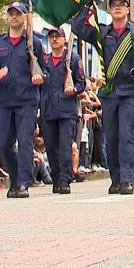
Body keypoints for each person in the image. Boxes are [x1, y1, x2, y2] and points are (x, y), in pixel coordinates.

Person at [71, 0, 134, 195]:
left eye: (122, 5)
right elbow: (77, 28)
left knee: (126, 136)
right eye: (114, 5)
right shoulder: (103, 32)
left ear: (128, 9)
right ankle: (115, 179)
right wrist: (87, 6)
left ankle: (128, 178)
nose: (118, 8)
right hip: (109, 92)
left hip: (129, 91)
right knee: (111, 138)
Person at [0, 2, 47, 198]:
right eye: (10, 14)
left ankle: (24, 184)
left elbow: (45, 70)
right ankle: (15, 178)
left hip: (26, 100)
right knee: (3, 144)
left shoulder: (33, 44)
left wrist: (40, 77)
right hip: (4, 101)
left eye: (18, 14)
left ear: (25, 17)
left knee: (25, 142)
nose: (14, 17)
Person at [40, 26, 85, 195]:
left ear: (64, 39)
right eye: (51, 37)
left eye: (57, 36)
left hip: (66, 109)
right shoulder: (45, 61)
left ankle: (65, 180)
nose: (54, 40)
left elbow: (82, 83)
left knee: (65, 146)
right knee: (51, 146)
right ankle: (56, 177)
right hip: (49, 108)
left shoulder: (72, 59)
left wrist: (73, 89)